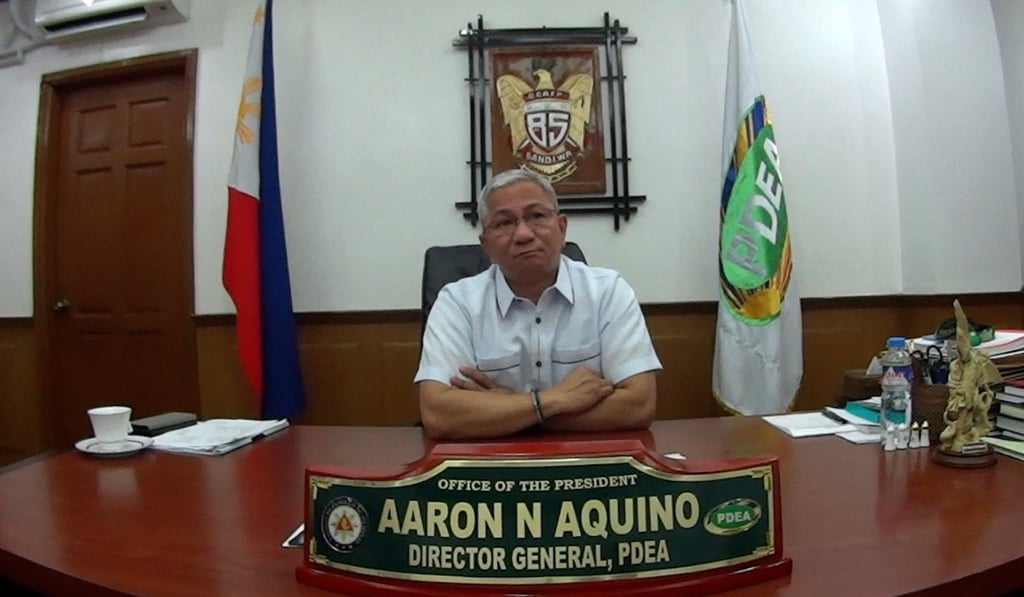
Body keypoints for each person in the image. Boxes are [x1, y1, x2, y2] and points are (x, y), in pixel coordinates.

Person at [414, 168, 662, 440]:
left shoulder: (607, 291)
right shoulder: (457, 302)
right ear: (486, 244)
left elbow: (638, 405)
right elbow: (438, 414)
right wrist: (553, 401)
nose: (523, 234)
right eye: (504, 223)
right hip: (490, 466)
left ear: (562, 227)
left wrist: (511, 406)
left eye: (537, 216)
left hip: (587, 464)